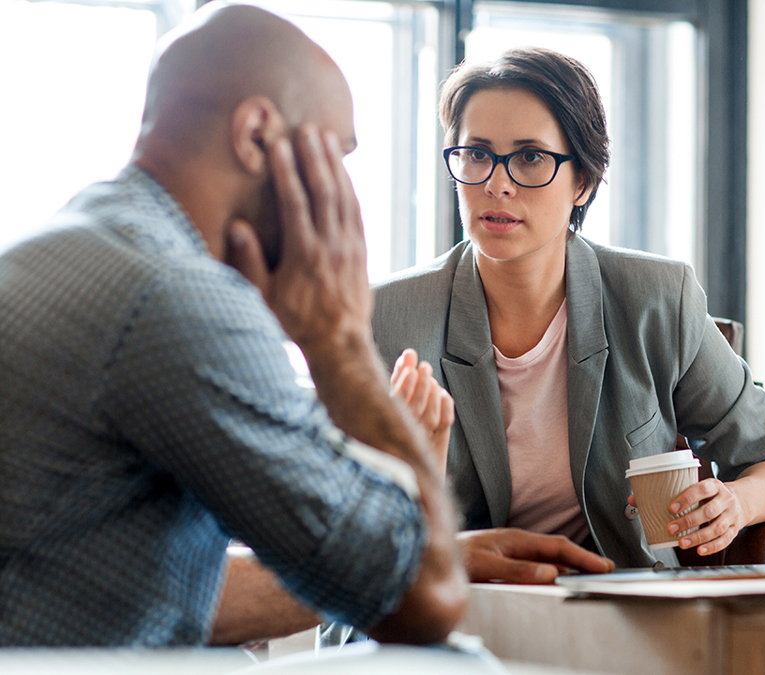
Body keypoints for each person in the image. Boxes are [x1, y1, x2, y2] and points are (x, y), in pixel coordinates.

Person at [0, 5, 465, 646]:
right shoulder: (175, 296)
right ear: (254, 135)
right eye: (338, 153)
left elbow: (159, 589)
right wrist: (340, 341)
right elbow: (426, 596)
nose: (345, 193)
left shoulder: (75, 242)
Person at [372, 47, 765, 572]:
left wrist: (735, 504)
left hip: (623, 608)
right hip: (461, 611)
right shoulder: (388, 316)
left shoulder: (654, 299)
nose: (496, 182)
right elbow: (339, 523)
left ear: (582, 180)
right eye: (476, 154)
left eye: (530, 157)